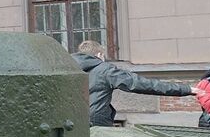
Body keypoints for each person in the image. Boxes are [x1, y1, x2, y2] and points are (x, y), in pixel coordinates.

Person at [72, 40, 201, 127]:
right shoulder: (104, 70)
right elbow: (142, 84)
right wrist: (186, 89)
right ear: (99, 54)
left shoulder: (70, 69)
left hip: (74, 124)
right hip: (97, 126)